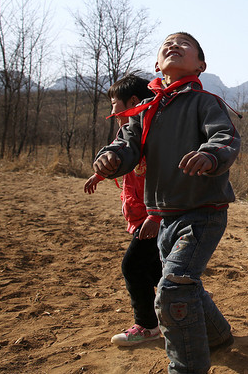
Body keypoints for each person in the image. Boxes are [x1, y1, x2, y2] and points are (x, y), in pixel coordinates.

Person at [93, 32, 240, 374]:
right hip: (165, 218)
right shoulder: (145, 111)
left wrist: (210, 155)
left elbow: (225, 137)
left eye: (185, 44)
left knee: (173, 289)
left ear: (200, 65)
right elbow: (126, 146)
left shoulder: (206, 103)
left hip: (203, 214)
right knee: (182, 283)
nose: (175, 45)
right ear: (157, 65)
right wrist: (111, 157)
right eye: (167, 44)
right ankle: (217, 338)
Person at [84, 74, 162, 346]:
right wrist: (100, 175)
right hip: (141, 215)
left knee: (132, 266)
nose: (112, 111)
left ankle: (147, 326)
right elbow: (122, 160)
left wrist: (156, 215)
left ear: (132, 102)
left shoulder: (152, 132)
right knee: (154, 269)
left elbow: (163, 177)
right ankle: (191, 300)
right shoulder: (127, 134)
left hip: (154, 217)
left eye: (114, 104)